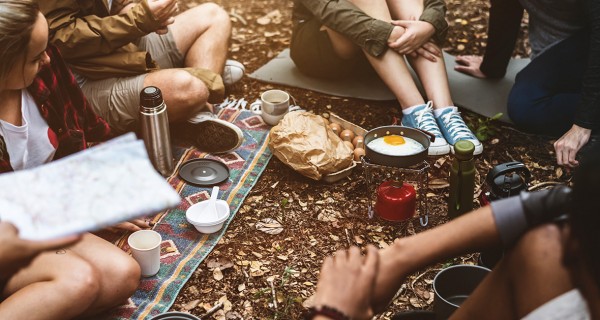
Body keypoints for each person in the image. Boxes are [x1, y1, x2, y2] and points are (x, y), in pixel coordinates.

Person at [309, 150, 600, 320]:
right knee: (543, 247)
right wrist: (401, 257)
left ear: (575, 248)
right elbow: (560, 204)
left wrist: (333, 314)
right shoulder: (557, 254)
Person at [0, 2, 142, 318]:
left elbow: (88, 126)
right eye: (35, 57)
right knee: (79, 281)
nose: (48, 58)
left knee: (121, 276)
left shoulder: (46, 67)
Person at [38, 0, 246, 154]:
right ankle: (195, 85)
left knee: (213, 15)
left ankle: (197, 112)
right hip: (81, 83)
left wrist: (130, 7)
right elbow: (60, 39)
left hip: (118, 47)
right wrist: (138, 19)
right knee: (191, 88)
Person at [291, 0, 482, 156]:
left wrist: (428, 25)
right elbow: (326, 8)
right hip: (321, 47)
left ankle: (445, 110)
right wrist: (387, 32)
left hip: (378, 53)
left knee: (410, 4)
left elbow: (433, 3)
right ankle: (414, 110)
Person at [454, 0, 599, 168]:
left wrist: (583, 123)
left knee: (526, 105)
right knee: (527, 105)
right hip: (565, 47)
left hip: (588, 39)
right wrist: (492, 66)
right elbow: (506, 7)